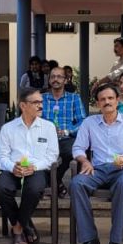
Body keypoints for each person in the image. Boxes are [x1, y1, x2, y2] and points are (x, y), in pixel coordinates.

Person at [70, 84, 123, 244]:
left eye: (110, 98)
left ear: (117, 100)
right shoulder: (89, 123)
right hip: (96, 169)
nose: (107, 102)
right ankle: (90, 238)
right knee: (76, 184)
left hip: (122, 169)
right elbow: (78, 148)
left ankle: (115, 240)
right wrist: (85, 161)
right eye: (103, 99)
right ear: (98, 103)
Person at [0, 88, 59, 244]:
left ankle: (17, 228)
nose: (40, 106)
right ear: (23, 106)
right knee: (0, 189)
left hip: (37, 169)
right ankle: (26, 225)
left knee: (34, 189)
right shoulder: (8, 128)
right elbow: (1, 156)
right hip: (13, 168)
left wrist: (34, 167)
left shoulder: (48, 127)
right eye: (36, 102)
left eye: (41, 102)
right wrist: (12, 167)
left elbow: (52, 156)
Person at [42, 66, 87, 198]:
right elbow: (34, 120)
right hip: (44, 139)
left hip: (66, 138)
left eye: (59, 77)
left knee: (74, 151)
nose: (55, 79)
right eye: (53, 77)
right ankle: (56, 184)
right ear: (49, 80)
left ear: (66, 80)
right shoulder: (41, 98)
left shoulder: (74, 98)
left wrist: (67, 131)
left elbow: (83, 121)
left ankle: (53, 181)